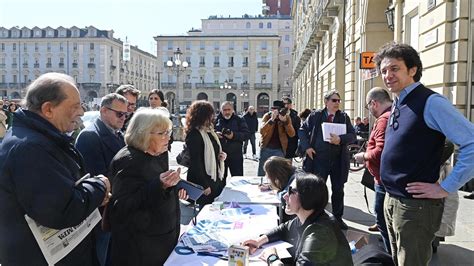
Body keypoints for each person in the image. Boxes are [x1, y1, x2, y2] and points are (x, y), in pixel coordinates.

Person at [374, 42, 474, 265]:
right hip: (393, 201)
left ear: (412, 69)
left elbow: (471, 143)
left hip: (415, 208)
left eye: (395, 68)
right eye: (383, 71)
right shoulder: (399, 102)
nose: (388, 75)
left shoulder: (430, 102)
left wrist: (445, 187)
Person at [0, 72, 111, 265]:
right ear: (48, 109)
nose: (82, 112)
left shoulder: (37, 139)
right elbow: (62, 209)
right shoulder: (30, 148)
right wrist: (99, 186)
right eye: (75, 106)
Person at [107, 107, 188, 266]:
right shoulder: (129, 161)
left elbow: (157, 188)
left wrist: (173, 187)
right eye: (162, 134)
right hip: (141, 249)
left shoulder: (158, 154)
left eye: (169, 133)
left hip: (160, 242)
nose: (168, 138)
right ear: (143, 133)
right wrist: (160, 185)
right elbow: (122, 207)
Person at [242, 173, 353, 265]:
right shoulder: (311, 216)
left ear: (306, 197)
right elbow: (285, 228)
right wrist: (258, 241)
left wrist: (272, 258)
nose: (285, 196)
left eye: (291, 191)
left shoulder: (319, 234)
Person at [75, 93, 128, 266]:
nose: (124, 118)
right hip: (101, 213)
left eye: (126, 114)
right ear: (104, 111)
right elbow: (96, 177)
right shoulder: (89, 136)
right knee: (101, 256)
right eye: (119, 114)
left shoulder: (118, 134)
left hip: (116, 210)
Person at [298, 90, 356, 230]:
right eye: (334, 100)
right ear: (326, 102)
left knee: (338, 190)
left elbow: (352, 135)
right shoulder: (316, 115)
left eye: (338, 100)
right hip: (318, 159)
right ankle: (316, 218)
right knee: (317, 190)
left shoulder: (343, 117)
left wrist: (340, 139)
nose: (337, 103)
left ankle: (337, 218)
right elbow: (302, 130)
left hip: (337, 161)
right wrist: (307, 148)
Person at [353, 87, 392, 254]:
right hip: (384, 177)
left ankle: (390, 253)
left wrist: (364, 155)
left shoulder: (384, 119)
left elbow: (381, 150)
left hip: (383, 180)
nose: (368, 110)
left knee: (383, 219)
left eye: (368, 106)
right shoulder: (392, 115)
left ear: (374, 103)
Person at [185, 100, 227, 205]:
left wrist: (222, 156)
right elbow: (196, 162)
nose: (213, 117)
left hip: (214, 178)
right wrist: (204, 185)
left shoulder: (210, 132)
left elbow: (215, 150)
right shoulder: (194, 134)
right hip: (203, 181)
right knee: (205, 210)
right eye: (210, 114)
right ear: (202, 115)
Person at [258, 100, 295, 176]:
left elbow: (292, 134)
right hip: (266, 147)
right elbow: (262, 131)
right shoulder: (267, 116)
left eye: (278, 110)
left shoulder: (286, 118)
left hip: (279, 149)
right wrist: (271, 120)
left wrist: (285, 122)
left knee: (279, 173)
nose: (276, 112)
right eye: (274, 109)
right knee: (262, 172)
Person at [215, 101, 250, 177]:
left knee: (238, 179)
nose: (227, 112)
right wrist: (215, 135)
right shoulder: (216, 120)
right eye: (224, 110)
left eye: (229, 109)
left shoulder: (239, 119)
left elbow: (246, 134)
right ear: (221, 111)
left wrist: (233, 135)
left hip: (236, 155)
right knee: (220, 180)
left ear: (233, 110)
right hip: (220, 155)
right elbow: (209, 132)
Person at [262, 156, 298, 223]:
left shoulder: (296, 178)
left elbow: (284, 197)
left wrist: (276, 191)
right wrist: (270, 186)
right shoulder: (290, 171)